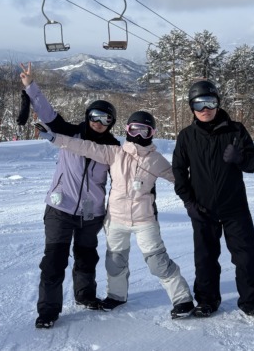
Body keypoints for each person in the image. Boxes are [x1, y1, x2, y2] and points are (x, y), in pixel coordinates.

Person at [37, 111, 195, 320]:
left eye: (144, 131)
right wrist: (54, 138)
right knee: (114, 262)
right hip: (116, 219)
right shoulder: (115, 153)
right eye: (134, 129)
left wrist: (205, 188)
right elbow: (83, 146)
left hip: (144, 220)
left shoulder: (156, 160)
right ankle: (116, 296)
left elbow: (181, 178)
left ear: (152, 133)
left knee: (157, 261)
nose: (138, 135)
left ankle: (182, 299)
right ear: (127, 130)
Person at [19, 62, 120, 329]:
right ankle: (48, 311)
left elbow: (120, 180)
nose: (99, 123)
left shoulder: (113, 147)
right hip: (60, 208)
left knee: (86, 257)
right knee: (54, 260)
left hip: (91, 212)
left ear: (112, 123)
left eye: (106, 119)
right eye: (96, 116)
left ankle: (85, 296)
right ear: (88, 116)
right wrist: (30, 87)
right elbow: (48, 114)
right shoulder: (70, 133)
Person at [171, 80, 254, 320]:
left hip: (234, 207)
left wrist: (239, 158)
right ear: (192, 107)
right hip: (202, 208)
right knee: (205, 258)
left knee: (248, 256)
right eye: (199, 104)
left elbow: (252, 164)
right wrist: (189, 203)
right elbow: (179, 171)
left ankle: (251, 302)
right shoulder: (186, 136)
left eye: (210, 102)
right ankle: (207, 300)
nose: (205, 109)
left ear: (218, 103)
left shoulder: (236, 130)